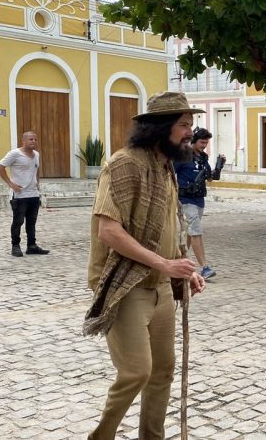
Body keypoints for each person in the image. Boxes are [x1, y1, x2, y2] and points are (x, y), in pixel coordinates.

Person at [83, 92, 206, 440]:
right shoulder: (124, 165)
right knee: (136, 371)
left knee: (163, 372)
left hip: (162, 289)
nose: (190, 133)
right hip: (126, 286)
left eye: (190, 125)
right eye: (183, 125)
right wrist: (164, 263)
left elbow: (167, 230)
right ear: (160, 127)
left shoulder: (166, 168)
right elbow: (109, 231)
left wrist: (184, 271)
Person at [174, 127, 225, 279]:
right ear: (194, 141)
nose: (204, 145)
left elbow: (210, 178)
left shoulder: (202, 158)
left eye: (206, 143)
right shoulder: (183, 155)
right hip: (185, 200)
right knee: (196, 231)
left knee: (190, 233)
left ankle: (179, 260)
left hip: (199, 200)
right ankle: (204, 267)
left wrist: (219, 166)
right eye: (202, 142)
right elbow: (169, 172)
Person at [0, 131, 49, 257]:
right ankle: (15, 246)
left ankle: (32, 246)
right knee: (18, 221)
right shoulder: (15, 154)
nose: (33, 141)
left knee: (31, 222)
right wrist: (10, 184)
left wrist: (37, 184)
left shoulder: (36, 154)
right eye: (30, 139)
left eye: (35, 139)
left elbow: (36, 169)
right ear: (23, 141)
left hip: (33, 194)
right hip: (19, 195)